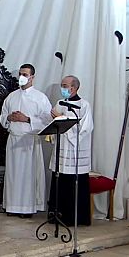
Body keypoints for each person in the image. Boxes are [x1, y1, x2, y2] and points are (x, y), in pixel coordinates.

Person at [0, 64, 52, 219]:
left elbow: (47, 120)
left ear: (32, 77)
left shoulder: (40, 97)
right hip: (14, 140)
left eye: (25, 74)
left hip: (29, 140)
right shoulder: (12, 96)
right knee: (12, 174)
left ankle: (27, 208)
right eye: (20, 74)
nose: (22, 77)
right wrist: (9, 118)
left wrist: (27, 119)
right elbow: (3, 116)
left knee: (27, 175)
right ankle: (11, 206)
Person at [48, 75, 93, 227]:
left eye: (65, 85)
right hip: (61, 150)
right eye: (62, 85)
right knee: (59, 180)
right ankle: (56, 215)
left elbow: (85, 129)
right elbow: (53, 126)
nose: (63, 88)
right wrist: (54, 123)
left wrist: (62, 118)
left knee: (74, 185)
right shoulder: (59, 103)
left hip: (75, 153)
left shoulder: (84, 105)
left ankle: (75, 218)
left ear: (74, 88)